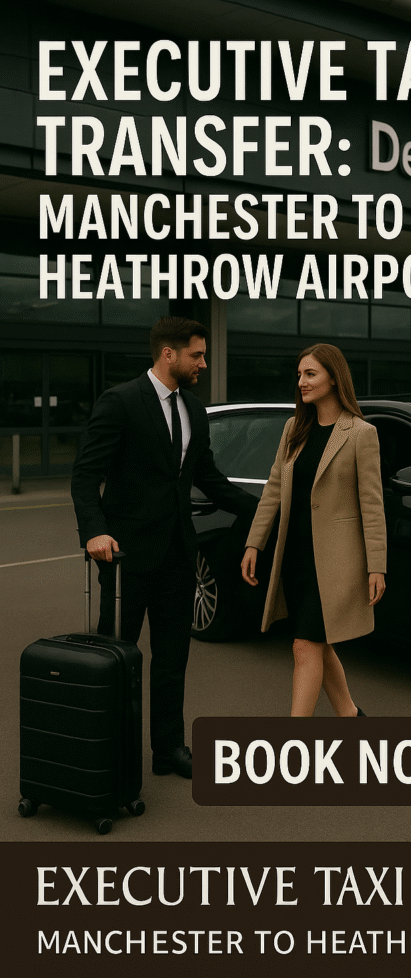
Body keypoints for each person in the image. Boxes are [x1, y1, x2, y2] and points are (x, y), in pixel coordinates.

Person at [71, 316, 257, 778]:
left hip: (178, 555)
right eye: (196, 354)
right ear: (168, 354)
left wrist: (262, 510)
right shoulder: (119, 402)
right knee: (118, 658)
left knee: (173, 658)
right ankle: (110, 755)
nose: (203, 363)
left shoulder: (194, 409)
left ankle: (168, 750)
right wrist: (94, 530)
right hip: (125, 557)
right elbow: (84, 475)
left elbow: (206, 477)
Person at [241, 344, 386, 717]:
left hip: (337, 564)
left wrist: (376, 566)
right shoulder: (294, 427)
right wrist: (254, 543)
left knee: (304, 647)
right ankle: (352, 716)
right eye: (300, 375)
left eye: (311, 374)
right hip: (297, 558)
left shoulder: (360, 434)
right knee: (319, 644)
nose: (301, 382)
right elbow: (273, 488)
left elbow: (372, 505)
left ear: (334, 378)